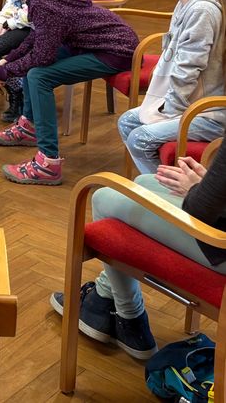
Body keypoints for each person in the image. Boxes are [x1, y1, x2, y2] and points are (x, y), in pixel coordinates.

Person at [50, 144, 226, 361]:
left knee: (103, 197)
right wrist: (210, 185)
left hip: (218, 245)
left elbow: (201, 208)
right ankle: (105, 295)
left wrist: (198, 189)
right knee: (144, 183)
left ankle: (129, 318)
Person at [0, 0, 139, 186]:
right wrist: (6, 62)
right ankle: (29, 127)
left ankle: (48, 164)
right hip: (93, 45)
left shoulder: (45, 3)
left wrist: (4, 72)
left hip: (114, 52)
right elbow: (36, 38)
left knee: (38, 75)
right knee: (33, 69)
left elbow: (41, 56)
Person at [118, 0, 226, 174]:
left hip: (209, 113)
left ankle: (166, 199)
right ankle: (163, 190)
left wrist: (168, 111)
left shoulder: (202, 10)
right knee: (126, 122)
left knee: (140, 139)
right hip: (189, 103)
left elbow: (188, 68)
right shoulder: (188, 2)